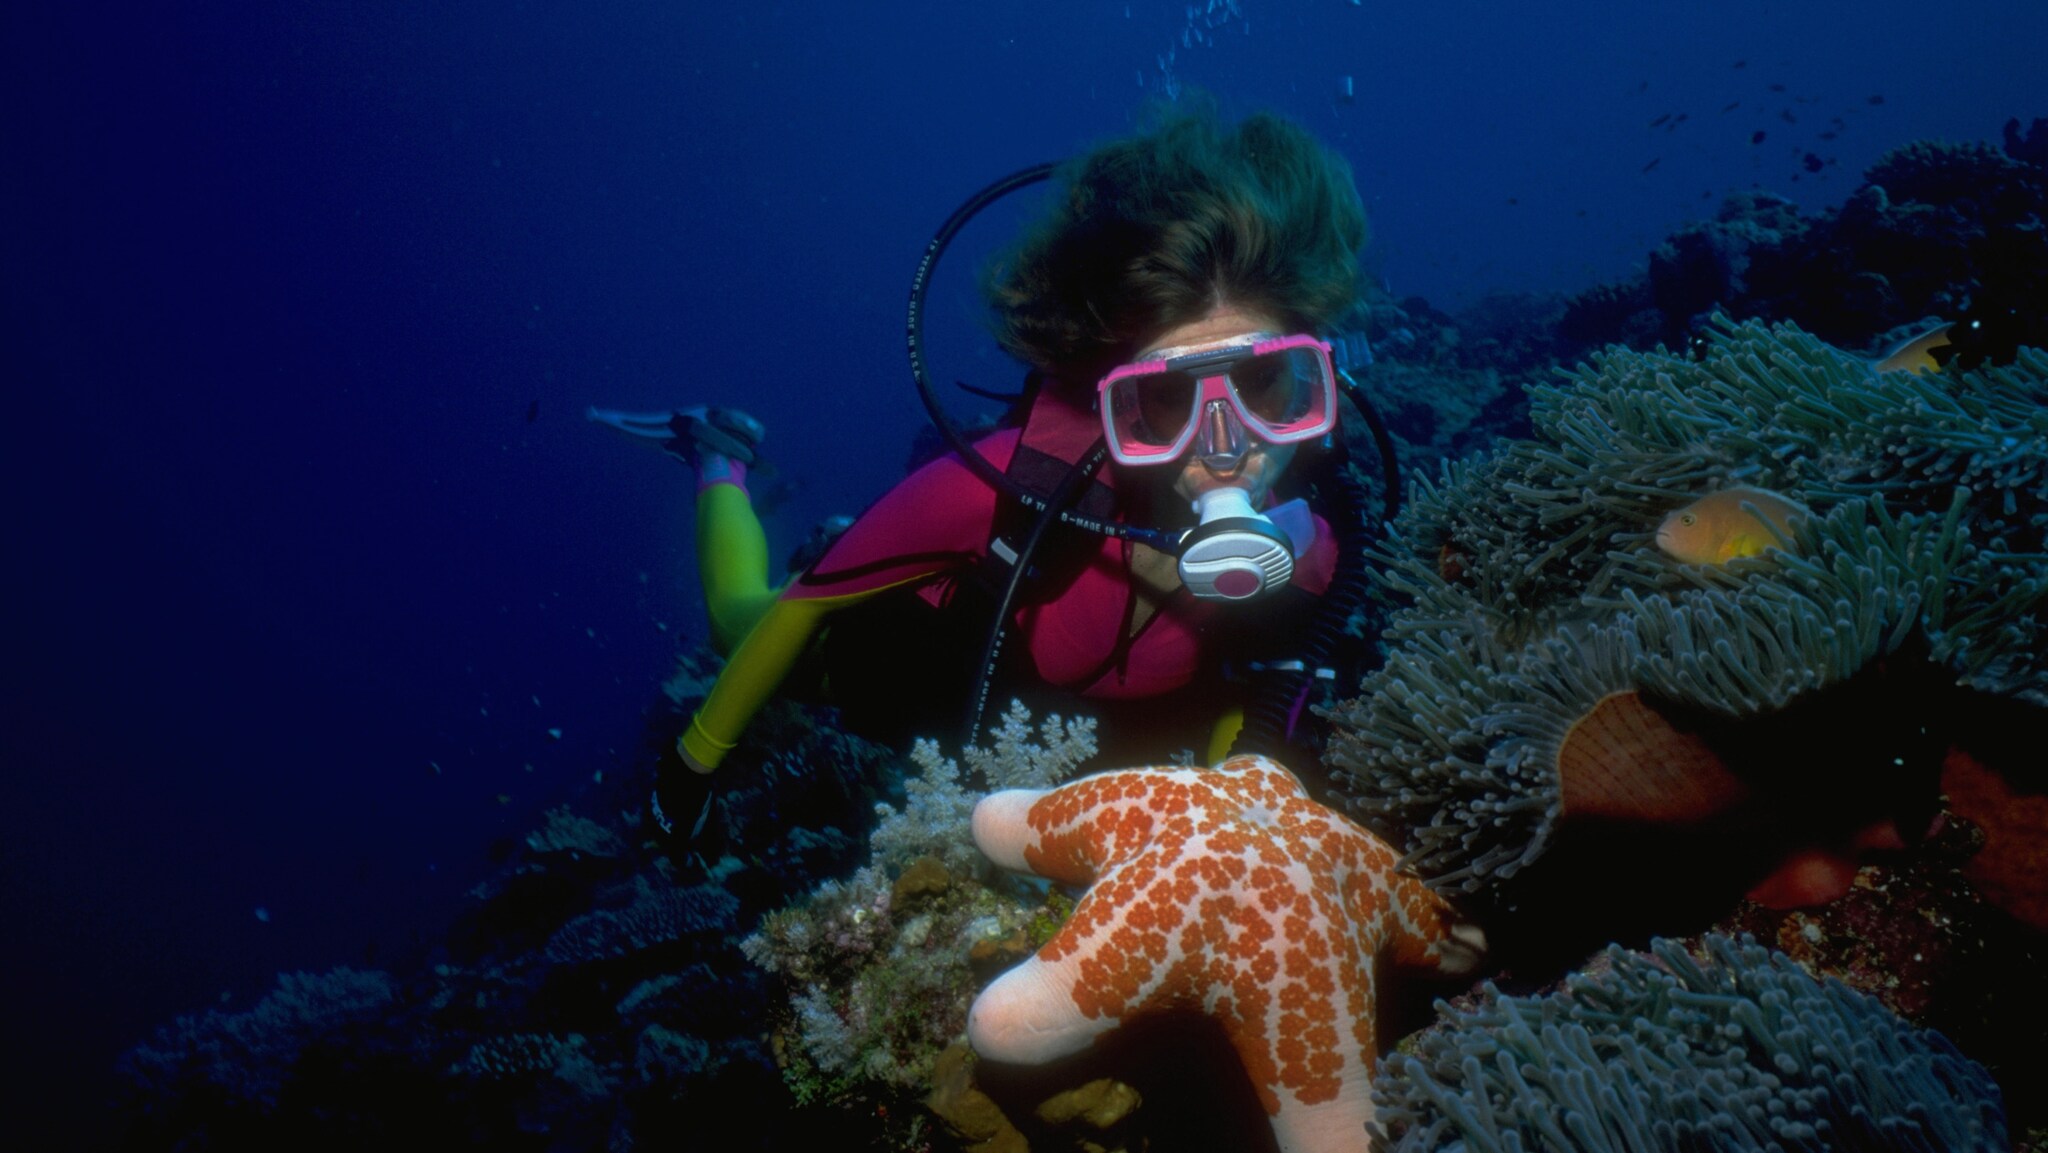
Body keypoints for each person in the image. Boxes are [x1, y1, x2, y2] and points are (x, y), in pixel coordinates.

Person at [596, 105, 1374, 846]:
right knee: (739, 616)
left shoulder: (1315, 556)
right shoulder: (1001, 487)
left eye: (1266, 385)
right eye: (1167, 398)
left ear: (1316, 382)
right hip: (929, 660)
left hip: (1078, 728)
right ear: (1114, 403)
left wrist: (1227, 822)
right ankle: (718, 454)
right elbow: (807, 602)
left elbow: (1258, 698)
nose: (1226, 446)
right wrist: (691, 764)